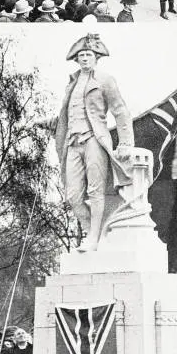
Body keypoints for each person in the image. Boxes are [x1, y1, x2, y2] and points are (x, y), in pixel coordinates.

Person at [50, 33, 134, 253]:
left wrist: (125, 142)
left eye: (88, 54)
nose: (85, 58)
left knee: (96, 191)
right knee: (72, 195)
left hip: (94, 140)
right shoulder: (72, 82)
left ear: (97, 57)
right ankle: (92, 230)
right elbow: (67, 113)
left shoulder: (105, 80)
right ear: (76, 59)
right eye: (81, 55)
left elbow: (120, 110)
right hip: (72, 142)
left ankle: (93, 238)